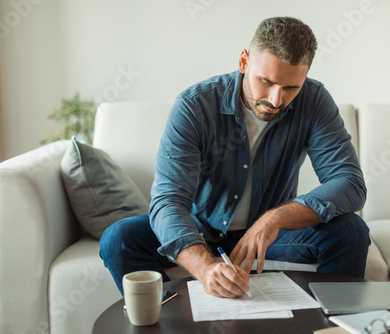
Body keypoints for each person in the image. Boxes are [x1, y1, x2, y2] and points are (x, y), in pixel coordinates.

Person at [100, 16, 370, 298]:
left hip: (273, 237)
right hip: (201, 229)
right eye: (266, 81)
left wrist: (275, 219)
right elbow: (168, 200)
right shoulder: (194, 106)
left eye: (291, 88)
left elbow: (349, 183)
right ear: (244, 62)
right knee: (119, 239)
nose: (276, 100)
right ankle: (168, 319)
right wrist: (205, 268)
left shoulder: (314, 100)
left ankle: (334, 325)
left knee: (351, 231)